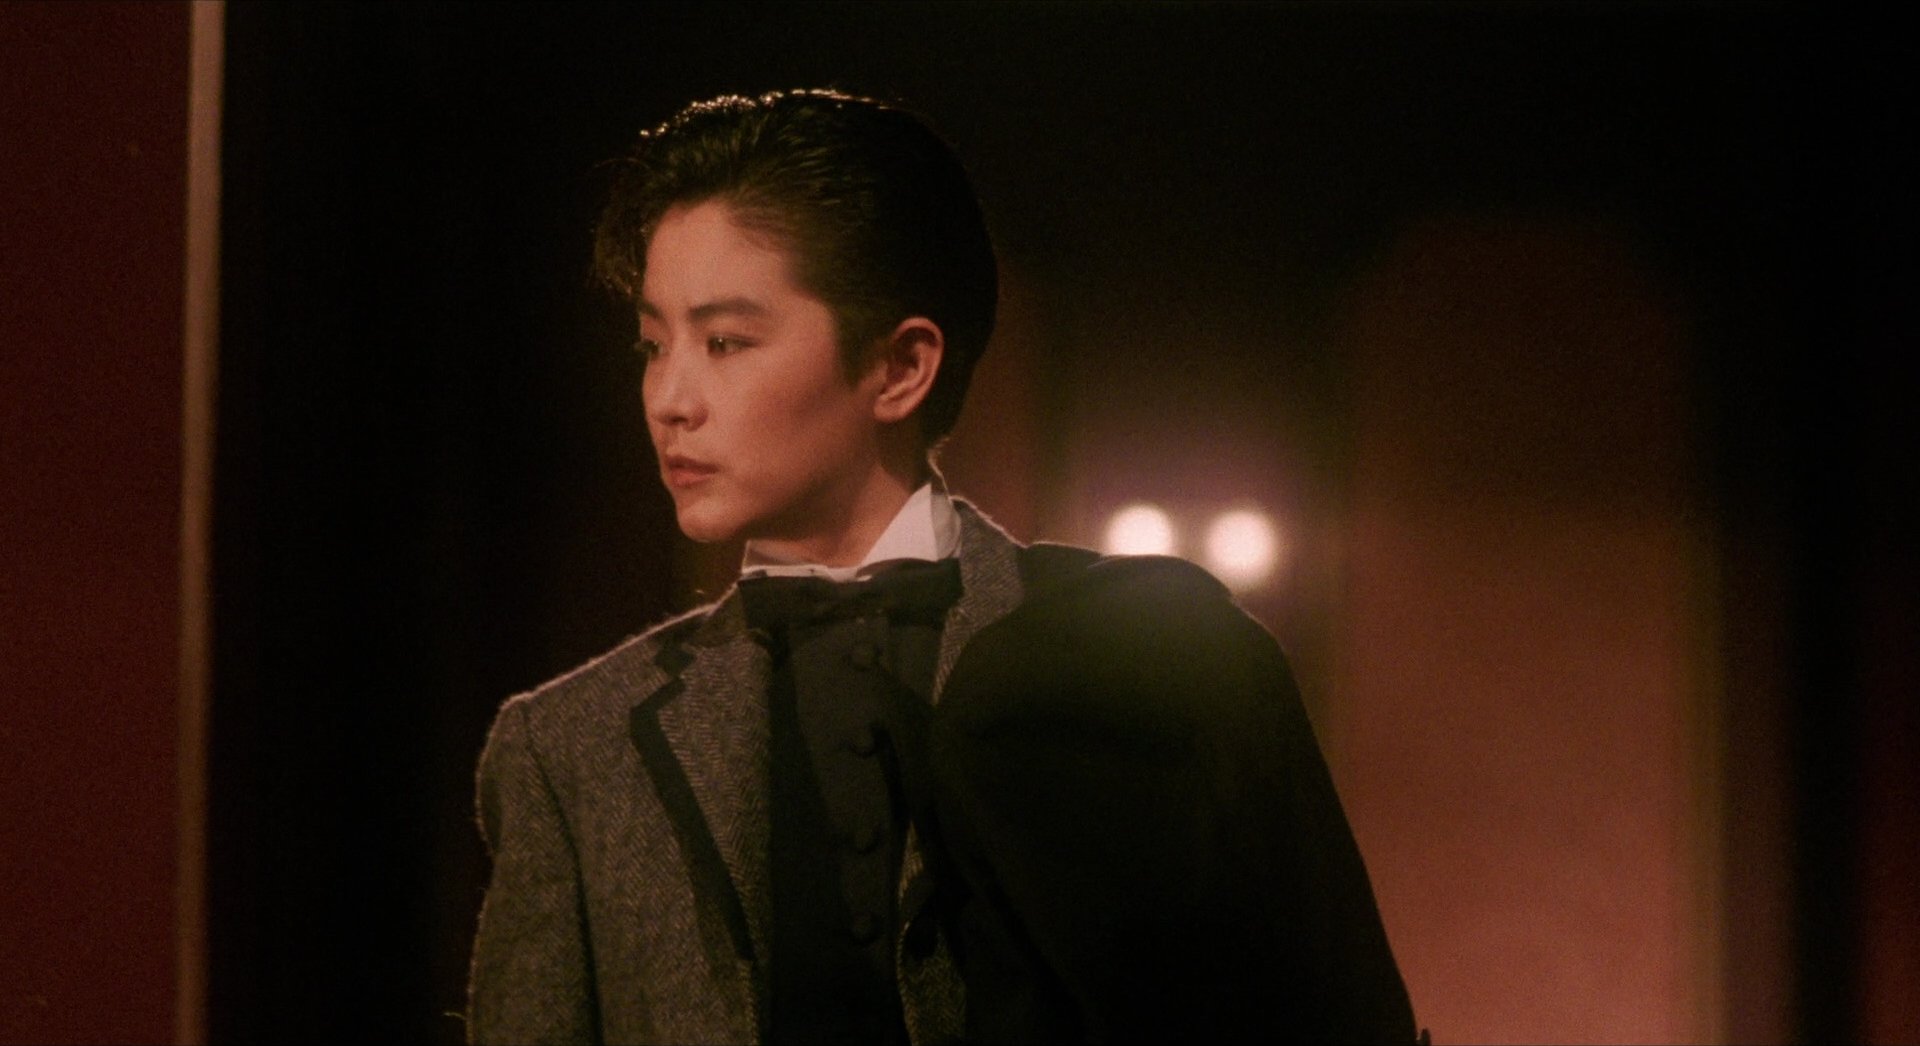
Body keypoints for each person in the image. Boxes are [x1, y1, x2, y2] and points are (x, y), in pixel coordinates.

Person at [467, 89, 1419, 1045]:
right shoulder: (570, 748)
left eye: (725, 343)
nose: (669, 398)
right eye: (652, 345)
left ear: (902, 368)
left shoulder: (1143, 661)